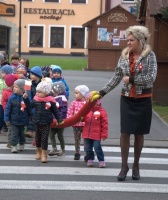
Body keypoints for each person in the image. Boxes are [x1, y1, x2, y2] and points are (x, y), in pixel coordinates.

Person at [98, 25, 157, 181]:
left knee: (139, 133)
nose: (128, 43)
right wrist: (102, 92)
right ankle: (124, 166)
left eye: (131, 40)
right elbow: (117, 77)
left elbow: (151, 78)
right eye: (127, 40)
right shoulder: (124, 56)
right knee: (125, 132)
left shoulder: (150, 56)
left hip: (143, 100)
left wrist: (131, 79)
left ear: (140, 40)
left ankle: (136, 165)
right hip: (126, 99)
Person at [23, 81, 63, 163]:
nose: (37, 93)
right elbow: (30, 106)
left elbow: (55, 111)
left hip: (46, 121)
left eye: (39, 92)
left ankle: (44, 154)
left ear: (46, 92)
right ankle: (38, 151)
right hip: (37, 121)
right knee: (37, 137)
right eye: (37, 92)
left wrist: (59, 119)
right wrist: (26, 99)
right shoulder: (35, 99)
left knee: (44, 138)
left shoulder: (51, 101)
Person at [4, 79, 31, 153]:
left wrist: (26, 99)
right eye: (14, 87)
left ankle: (21, 144)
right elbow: (8, 109)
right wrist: (6, 118)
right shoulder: (12, 98)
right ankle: (13, 145)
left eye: (16, 87)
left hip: (23, 120)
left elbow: (29, 107)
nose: (14, 88)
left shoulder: (25, 97)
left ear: (22, 89)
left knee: (22, 134)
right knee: (14, 134)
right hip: (14, 120)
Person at [82, 99, 108, 167]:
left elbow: (104, 124)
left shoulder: (102, 112)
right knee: (88, 148)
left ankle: (101, 160)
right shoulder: (87, 111)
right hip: (87, 133)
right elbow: (82, 118)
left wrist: (104, 135)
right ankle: (90, 159)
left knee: (97, 147)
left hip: (96, 134)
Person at [67, 85, 89, 160]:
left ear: (83, 94)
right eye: (75, 93)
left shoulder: (87, 103)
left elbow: (89, 112)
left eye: (77, 93)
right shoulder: (74, 103)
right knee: (77, 139)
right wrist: (69, 120)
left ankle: (87, 153)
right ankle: (77, 152)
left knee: (86, 140)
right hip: (76, 125)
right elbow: (70, 112)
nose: (75, 94)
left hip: (85, 125)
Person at [48, 81, 68, 156]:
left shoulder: (62, 98)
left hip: (60, 120)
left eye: (52, 89)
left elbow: (63, 109)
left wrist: (60, 118)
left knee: (60, 135)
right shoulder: (54, 97)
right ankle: (54, 148)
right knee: (51, 134)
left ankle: (62, 149)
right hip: (53, 120)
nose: (51, 91)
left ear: (57, 90)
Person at [1, 74, 18, 148]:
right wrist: (7, 108)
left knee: (14, 129)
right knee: (11, 129)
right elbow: (3, 102)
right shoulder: (6, 92)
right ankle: (10, 142)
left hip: (15, 113)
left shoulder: (15, 92)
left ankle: (13, 142)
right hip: (9, 114)